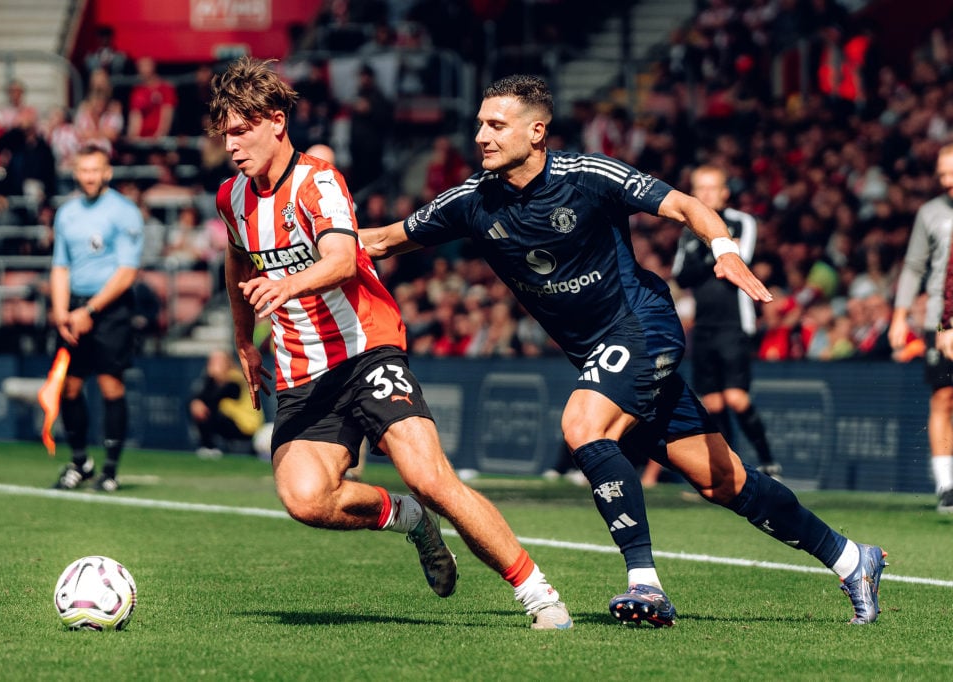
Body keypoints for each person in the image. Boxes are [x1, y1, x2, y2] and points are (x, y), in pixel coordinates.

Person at [362, 74, 887, 627]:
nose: (482, 136)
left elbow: (685, 205)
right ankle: (853, 559)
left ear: (536, 130)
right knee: (722, 479)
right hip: (599, 355)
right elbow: (381, 240)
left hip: (641, 326)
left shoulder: (588, 175)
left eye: (496, 125)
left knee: (583, 426)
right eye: (479, 125)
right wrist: (304, 240)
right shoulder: (472, 201)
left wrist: (723, 248)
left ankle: (645, 583)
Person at [207, 56, 572, 630]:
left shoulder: (317, 179)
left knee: (430, 476)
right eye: (223, 134)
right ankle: (409, 521)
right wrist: (243, 341)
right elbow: (234, 260)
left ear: (275, 121)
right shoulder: (231, 197)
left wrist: (287, 283)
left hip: (366, 346)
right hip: (303, 369)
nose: (229, 145)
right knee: (305, 498)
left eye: (239, 130)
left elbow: (341, 257)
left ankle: (539, 595)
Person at [671, 164, 781, 478]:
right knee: (714, 403)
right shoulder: (687, 230)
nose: (705, 194)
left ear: (724, 192)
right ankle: (732, 472)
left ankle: (769, 462)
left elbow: (733, 259)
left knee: (736, 397)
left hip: (734, 322)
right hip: (703, 325)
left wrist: (708, 257)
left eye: (711, 188)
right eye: (699, 188)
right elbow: (682, 274)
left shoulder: (741, 221)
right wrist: (711, 255)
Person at [49, 143, 144, 493]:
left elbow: (127, 271)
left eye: (95, 170)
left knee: (109, 385)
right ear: (76, 172)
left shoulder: (124, 211)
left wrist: (90, 311)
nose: (89, 176)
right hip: (74, 308)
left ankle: (111, 470)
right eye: (83, 170)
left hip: (111, 308)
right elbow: (60, 265)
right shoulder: (67, 213)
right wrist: (62, 313)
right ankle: (80, 462)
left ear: (107, 172)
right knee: (69, 387)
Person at [890, 143, 953, 513]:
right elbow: (915, 266)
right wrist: (900, 316)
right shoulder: (931, 213)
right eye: (942, 173)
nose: (946, 180)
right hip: (940, 323)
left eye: (951, 172)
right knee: (944, 397)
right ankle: (947, 484)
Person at [190, 349, 263, 457]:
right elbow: (200, 400)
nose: (214, 365)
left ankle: (209, 447)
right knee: (197, 406)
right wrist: (195, 402)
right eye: (212, 362)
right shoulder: (214, 381)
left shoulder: (236, 379)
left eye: (219, 362)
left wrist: (211, 379)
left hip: (246, 426)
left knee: (208, 409)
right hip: (231, 422)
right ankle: (207, 447)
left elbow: (214, 399)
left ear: (228, 363)